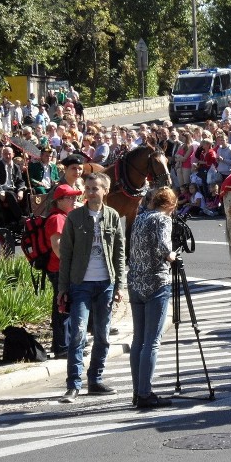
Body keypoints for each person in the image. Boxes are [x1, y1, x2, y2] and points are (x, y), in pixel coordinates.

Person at [57, 172, 126, 403]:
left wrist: (119, 286)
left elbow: (119, 252)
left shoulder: (113, 216)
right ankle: (73, 385)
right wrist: (62, 288)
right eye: (87, 188)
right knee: (77, 334)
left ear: (105, 191)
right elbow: (65, 254)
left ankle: (95, 380)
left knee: (103, 335)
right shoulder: (75, 217)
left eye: (95, 188)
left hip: (105, 284)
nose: (90, 192)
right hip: (81, 284)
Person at [128, 186, 179, 408]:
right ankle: (145, 393)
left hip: (136, 282)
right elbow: (164, 249)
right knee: (152, 341)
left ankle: (137, 391)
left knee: (138, 340)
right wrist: (173, 255)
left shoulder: (141, 217)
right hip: (156, 283)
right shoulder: (162, 219)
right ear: (170, 204)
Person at [45, 184, 82, 358]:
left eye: (75, 197)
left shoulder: (64, 216)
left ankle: (61, 346)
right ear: (59, 201)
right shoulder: (57, 219)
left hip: (61, 269)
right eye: (70, 197)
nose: (74, 200)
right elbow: (57, 246)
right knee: (62, 307)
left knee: (63, 306)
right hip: (59, 269)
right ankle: (62, 347)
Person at [0, 145, 27, 222]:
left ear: (13, 155)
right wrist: (0, 192)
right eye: (5, 154)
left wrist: (21, 190)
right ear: (2, 154)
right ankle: (20, 218)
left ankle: (29, 215)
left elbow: (20, 181)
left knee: (31, 191)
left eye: (9, 154)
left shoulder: (16, 167)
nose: (7, 156)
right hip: (3, 189)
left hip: (13, 189)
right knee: (10, 194)